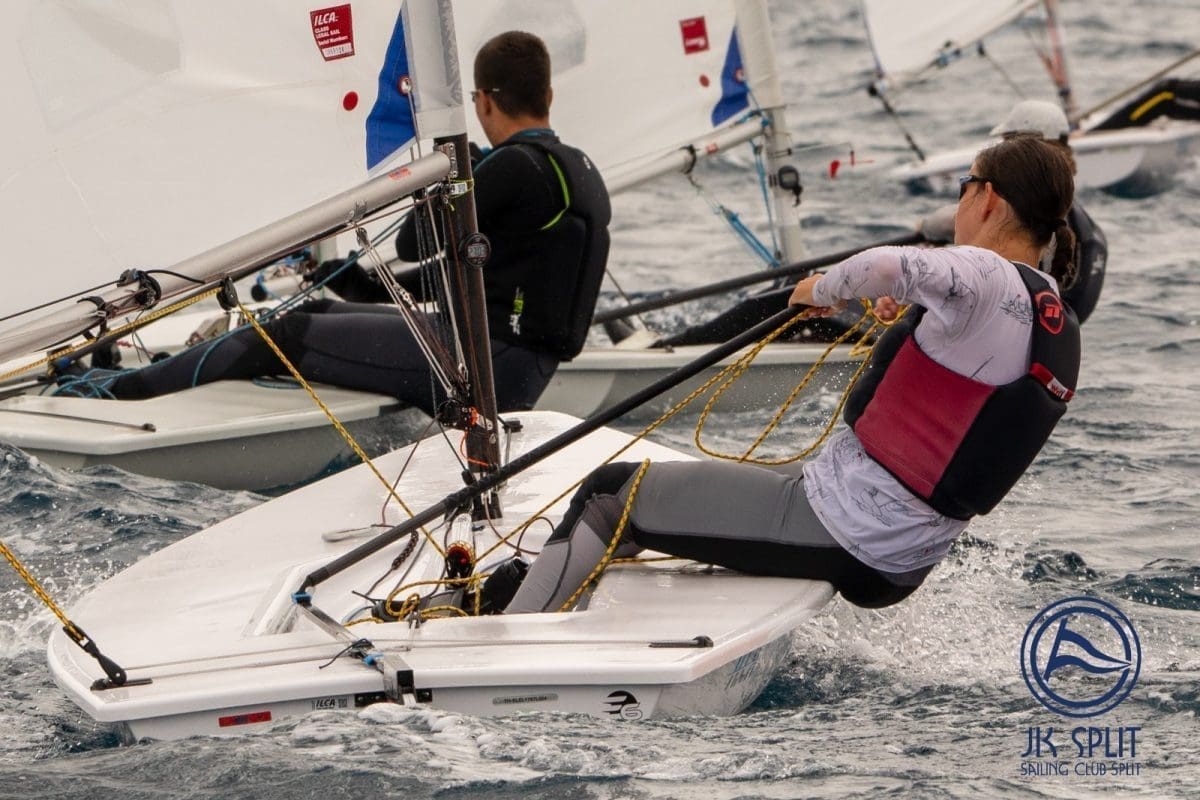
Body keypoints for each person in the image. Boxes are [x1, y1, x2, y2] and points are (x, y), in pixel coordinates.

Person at [503, 135, 1080, 614]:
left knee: (610, 494)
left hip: (844, 527)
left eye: (962, 187)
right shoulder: (1048, 310)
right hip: (901, 557)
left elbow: (884, 264)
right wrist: (919, 312)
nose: (957, 205)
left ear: (987, 198)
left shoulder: (985, 272)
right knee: (694, 490)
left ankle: (508, 638)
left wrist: (819, 290)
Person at [89, 31, 611, 416]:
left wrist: (448, 174)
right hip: (515, 368)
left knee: (284, 333)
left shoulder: (513, 167)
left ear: (485, 101)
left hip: (480, 364)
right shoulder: (578, 169)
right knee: (318, 309)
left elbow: (412, 242)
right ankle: (140, 378)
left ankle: (114, 393)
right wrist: (366, 287)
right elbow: (485, 275)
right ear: (548, 95)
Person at [921, 99, 1107, 323]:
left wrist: (924, 227)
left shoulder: (1023, 204)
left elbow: (945, 223)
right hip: (1053, 331)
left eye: (1005, 143)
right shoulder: (1067, 205)